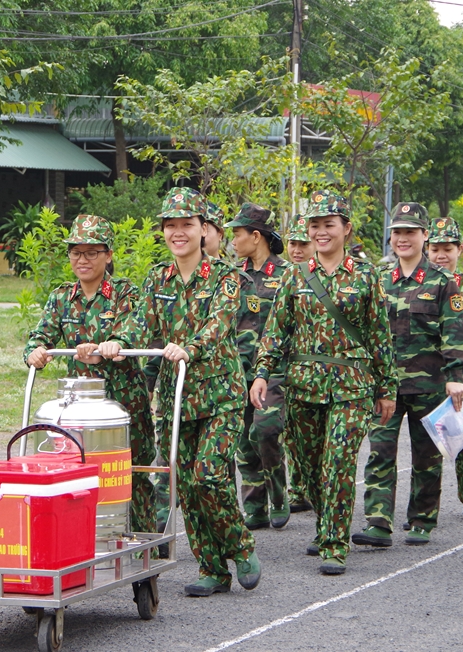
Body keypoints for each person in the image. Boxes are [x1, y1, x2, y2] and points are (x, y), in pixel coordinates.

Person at [84, 187, 261, 597]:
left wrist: (190, 347)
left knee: (210, 477)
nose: (178, 233)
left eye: (187, 224)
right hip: (175, 399)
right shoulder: (157, 279)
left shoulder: (226, 277)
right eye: (171, 226)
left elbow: (218, 326)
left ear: (204, 230)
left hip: (218, 395)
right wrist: (111, 344)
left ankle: (240, 544)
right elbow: (139, 326)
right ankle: (213, 569)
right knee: (184, 485)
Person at [250, 190, 397, 575]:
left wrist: (386, 389)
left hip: (351, 387)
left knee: (338, 465)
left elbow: (380, 336)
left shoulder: (366, 277)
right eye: (314, 225)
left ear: (346, 229)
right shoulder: (294, 277)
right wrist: (263, 372)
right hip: (303, 387)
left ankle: (334, 543)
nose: (321, 232)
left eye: (329, 225)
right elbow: (275, 330)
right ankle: (325, 522)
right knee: (311, 469)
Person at [23, 215, 155, 537]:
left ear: (108, 255)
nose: (83, 260)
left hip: (124, 406)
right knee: (78, 477)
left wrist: (115, 344)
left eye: (92, 252)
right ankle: (83, 543)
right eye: (76, 252)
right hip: (79, 409)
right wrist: (36, 351)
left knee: (131, 477)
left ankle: (146, 547)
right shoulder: (61, 297)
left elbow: (134, 332)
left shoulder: (124, 294)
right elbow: (40, 336)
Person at [353, 202, 463, 548]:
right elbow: (366, 330)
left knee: (427, 456)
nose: (402, 239)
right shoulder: (376, 279)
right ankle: (378, 521)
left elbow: (455, 331)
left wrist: (455, 374)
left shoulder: (442, 282)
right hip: (386, 385)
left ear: (424, 236)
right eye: (397, 232)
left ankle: (421, 519)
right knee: (380, 450)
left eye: (410, 232)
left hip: (429, 384)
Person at [226, 202, 290, 531]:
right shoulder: (233, 276)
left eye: (237, 234)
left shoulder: (286, 275)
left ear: (255, 236)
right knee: (243, 439)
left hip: (276, 370)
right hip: (240, 369)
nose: (232, 241)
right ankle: (254, 505)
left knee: (264, 431)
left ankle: (279, 493)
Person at [426, 217, 463, 522]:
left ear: (459, 249)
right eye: (435, 248)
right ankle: (424, 507)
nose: (441, 255)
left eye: (447, 248)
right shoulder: (418, 283)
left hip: (462, 375)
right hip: (425, 374)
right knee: (426, 446)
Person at [282, 214, 316, 514]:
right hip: (284, 367)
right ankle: (297, 487)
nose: (296, 249)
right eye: (292, 243)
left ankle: (303, 487)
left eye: (302, 244)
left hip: (311, 369)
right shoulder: (284, 277)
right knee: (292, 434)